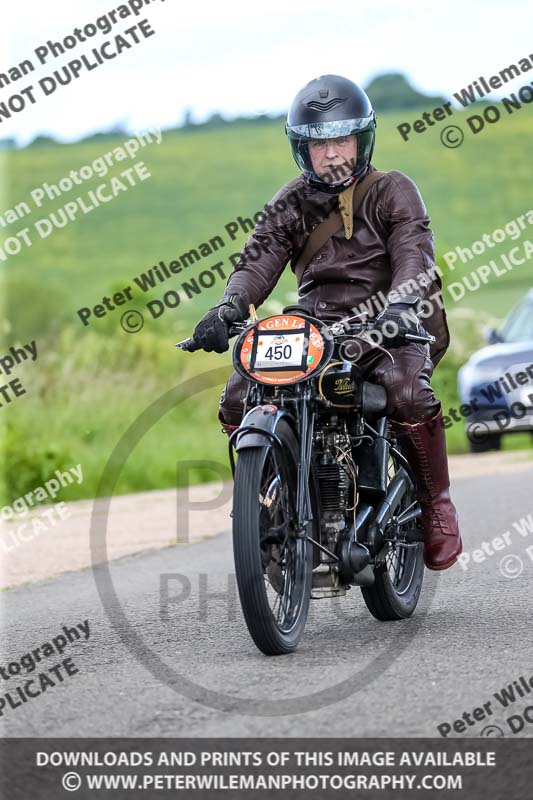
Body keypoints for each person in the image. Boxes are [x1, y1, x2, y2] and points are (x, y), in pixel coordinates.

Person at [190, 74, 462, 571]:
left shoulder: (394, 191)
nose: (332, 153)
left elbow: (414, 255)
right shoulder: (289, 202)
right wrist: (228, 307)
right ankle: (270, 492)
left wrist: (401, 305)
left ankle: (435, 505)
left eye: (341, 139)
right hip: (318, 327)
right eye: (319, 144)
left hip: (388, 324)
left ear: (362, 139)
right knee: (238, 391)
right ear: (302, 149)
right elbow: (259, 260)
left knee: (406, 389)